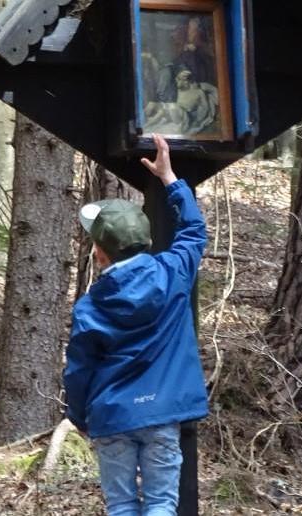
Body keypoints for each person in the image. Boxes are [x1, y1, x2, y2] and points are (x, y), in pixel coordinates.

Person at [64, 134, 208, 515]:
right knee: (161, 503)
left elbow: (79, 370)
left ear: (99, 253)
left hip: (113, 416)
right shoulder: (174, 272)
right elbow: (194, 231)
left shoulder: (89, 307)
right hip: (162, 413)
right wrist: (170, 179)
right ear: (145, 240)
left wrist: (77, 416)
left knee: (122, 505)